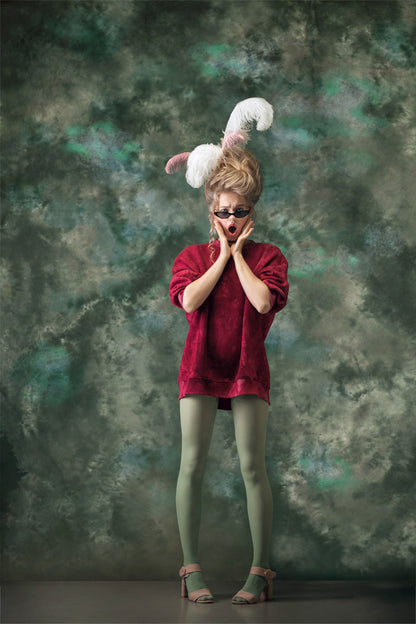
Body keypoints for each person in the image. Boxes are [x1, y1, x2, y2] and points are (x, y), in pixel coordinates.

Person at [167, 99, 289, 605]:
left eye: (240, 212)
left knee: (252, 468)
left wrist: (239, 255)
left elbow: (262, 302)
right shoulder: (192, 257)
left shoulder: (269, 257)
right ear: (211, 211)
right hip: (199, 367)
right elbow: (189, 301)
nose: (232, 219)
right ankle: (190, 569)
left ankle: (260, 572)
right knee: (191, 464)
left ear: (252, 211)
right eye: (223, 212)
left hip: (246, 369)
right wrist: (221, 255)